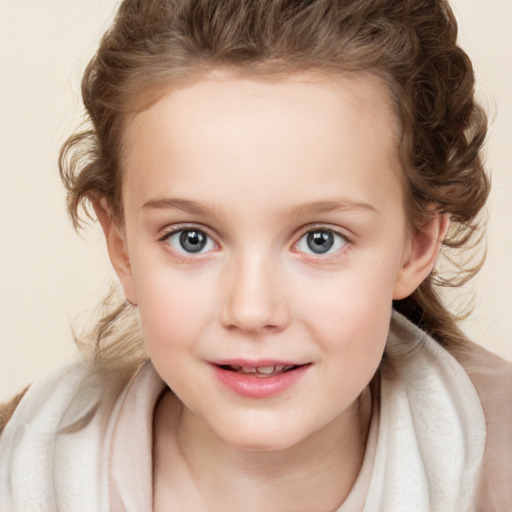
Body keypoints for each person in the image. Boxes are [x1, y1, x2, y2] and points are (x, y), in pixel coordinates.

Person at [0, 0, 510, 510]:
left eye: (320, 240)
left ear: (417, 244)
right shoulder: (19, 468)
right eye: (192, 239)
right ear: (122, 247)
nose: (251, 310)